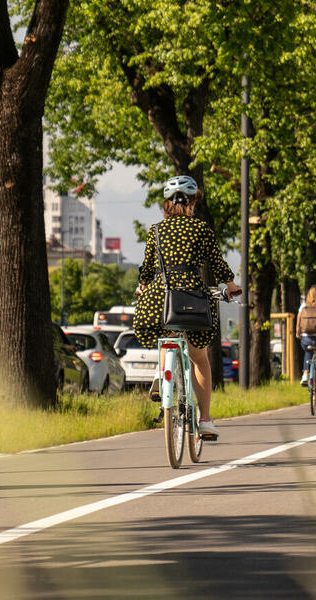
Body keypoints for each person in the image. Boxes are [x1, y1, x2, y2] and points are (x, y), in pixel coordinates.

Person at [134, 175, 242, 439]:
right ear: (193, 201)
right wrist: (231, 285)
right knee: (200, 359)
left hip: (162, 296)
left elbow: (147, 269)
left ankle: (162, 377)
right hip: (192, 298)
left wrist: (143, 286)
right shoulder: (201, 229)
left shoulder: (155, 231)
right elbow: (217, 263)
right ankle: (205, 420)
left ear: (166, 204)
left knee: (165, 334)